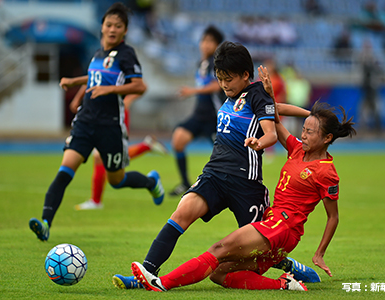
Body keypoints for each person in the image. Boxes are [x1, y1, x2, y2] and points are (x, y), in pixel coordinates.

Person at [130, 66, 356, 292]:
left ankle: (160, 284)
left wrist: (319, 253)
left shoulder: (326, 171)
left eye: (310, 132)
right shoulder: (298, 149)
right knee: (219, 273)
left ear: (327, 138)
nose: (303, 135)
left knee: (219, 248)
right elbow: (274, 119)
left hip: (282, 227)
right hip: (273, 222)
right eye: (304, 130)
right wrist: (270, 94)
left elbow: (333, 217)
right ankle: (285, 284)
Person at [112, 43, 316, 289]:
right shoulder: (228, 94)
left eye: (228, 79)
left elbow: (271, 132)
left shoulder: (257, 94)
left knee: (259, 247)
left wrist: (260, 141)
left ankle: (287, 266)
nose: (224, 84)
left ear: (244, 75)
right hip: (215, 174)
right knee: (182, 212)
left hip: (246, 183)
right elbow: (274, 108)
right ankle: (144, 275)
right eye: (220, 79)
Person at [29, 2, 164, 241]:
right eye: (109, 24)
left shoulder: (126, 54)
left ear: (124, 31)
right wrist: (76, 84)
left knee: (117, 180)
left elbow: (140, 86)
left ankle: (150, 181)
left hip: (111, 125)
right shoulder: (98, 54)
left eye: (118, 26)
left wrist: (111, 90)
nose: (112, 29)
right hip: (85, 122)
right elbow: (94, 78)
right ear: (102, 26)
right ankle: (46, 222)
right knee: (64, 171)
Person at [68, 84, 168, 210]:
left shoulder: (121, 66)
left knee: (103, 156)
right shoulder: (101, 66)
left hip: (115, 116)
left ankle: (96, 201)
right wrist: (78, 98)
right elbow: (89, 78)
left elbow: (141, 85)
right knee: (103, 158)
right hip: (102, 114)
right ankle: (146, 147)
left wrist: (127, 101)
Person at [169, 25, 226, 196]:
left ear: (217, 45)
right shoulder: (201, 63)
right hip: (199, 115)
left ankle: (230, 186)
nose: (206, 44)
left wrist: (192, 91)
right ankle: (185, 183)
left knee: (224, 156)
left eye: (210, 41)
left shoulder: (218, 63)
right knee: (178, 140)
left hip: (215, 117)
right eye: (204, 40)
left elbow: (217, 85)